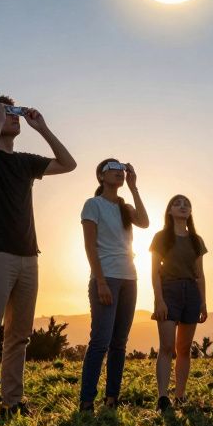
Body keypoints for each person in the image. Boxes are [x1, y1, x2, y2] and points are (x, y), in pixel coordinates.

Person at [0, 96, 77, 421]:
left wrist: (42, 128)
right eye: (7, 112)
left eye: (15, 113)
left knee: (19, 336)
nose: (15, 117)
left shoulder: (25, 162)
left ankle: (12, 400)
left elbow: (68, 164)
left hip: (28, 257)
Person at [77, 158, 149, 410]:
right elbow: (90, 246)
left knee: (120, 342)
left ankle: (112, 399)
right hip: (106, 277)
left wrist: (134, 187)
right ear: (101, 176)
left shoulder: (124, 206)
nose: (119, 171)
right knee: (100, 341)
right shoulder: (93, 204)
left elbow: (144, 222)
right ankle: (87, 401)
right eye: (113, 168)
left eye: (122, 168)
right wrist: (100, 282)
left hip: (130, 278)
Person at [149, 195, 208, 411]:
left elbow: (200, 274)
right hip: (169, 291)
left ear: (190, 212)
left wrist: (203, 303)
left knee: (184, 348)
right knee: (167, 346)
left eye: (186, 204)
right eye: (177, 204)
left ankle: (180, 396)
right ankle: (163, 397)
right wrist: (159, 301)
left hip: (191, 293)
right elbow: (154, 272)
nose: (183, 207)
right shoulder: (161, 237)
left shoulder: (196, 240)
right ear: (169, 211)